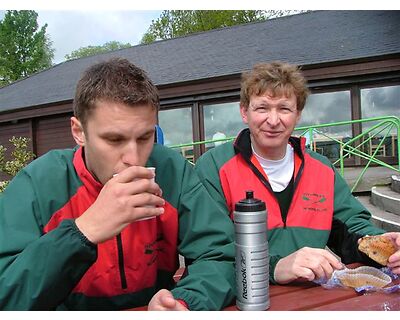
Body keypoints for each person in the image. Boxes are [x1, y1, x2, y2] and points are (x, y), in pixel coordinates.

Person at [0, 58, 235, 310]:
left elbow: (221, 255)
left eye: (145, 137)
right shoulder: (38, 184)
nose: (133, 159)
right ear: (79, 131)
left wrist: (185, 301)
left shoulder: (172, 171)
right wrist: (83, 232)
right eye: (114, 139)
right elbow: (7, 295)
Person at [195, 61, 400, 285]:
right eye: (262, 108)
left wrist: (380, 244)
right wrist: (274, 267)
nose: (273, 121)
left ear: (298, 114)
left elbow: (352, 226)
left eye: (284, 109)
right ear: (244, 112)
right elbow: (208, 251)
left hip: (309, 299)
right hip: (242, 298)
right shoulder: (213, 167)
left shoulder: (321, 169)